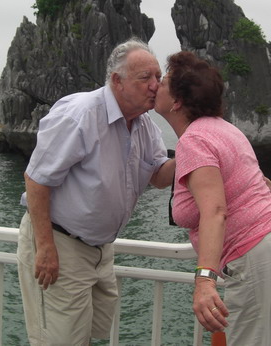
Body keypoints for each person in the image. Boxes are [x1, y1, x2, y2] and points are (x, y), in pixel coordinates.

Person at [17, 38, 175, 346]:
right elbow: (36, 180)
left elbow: (158, 175)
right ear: (117, 81)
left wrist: (192, 152)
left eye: (158, 77)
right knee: (59, 340)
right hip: (61, 245)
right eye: (146, 78)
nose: (156, 85)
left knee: (92, 332)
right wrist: (45, 249)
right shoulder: (80, 115)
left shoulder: (144, 125)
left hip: (100, 250)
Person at [155, 51, 271, 346]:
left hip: (260, 256)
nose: (155, 86)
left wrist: (204, 280)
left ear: (176, 101)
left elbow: (215, 211)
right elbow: (259, 181)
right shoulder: (224, 129)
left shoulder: (194, 140)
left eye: (162, 82)